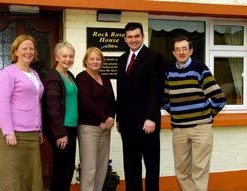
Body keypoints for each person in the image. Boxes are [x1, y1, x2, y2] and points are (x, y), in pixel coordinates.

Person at [163, 35, 227, 191]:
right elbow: (164, 100)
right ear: (173, 53)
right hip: (179, 130)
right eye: (178, 49)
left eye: (184, 49)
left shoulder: (200, 69)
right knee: (181, 171)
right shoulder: (169, 71)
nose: (181, 52)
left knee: (199, 171)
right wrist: (179, 114)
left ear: (191, 51)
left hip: (201, 129)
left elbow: (219, 98)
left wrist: (205, 116)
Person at [116, 22, 165, 191]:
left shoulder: (154, 56)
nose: (133, 40)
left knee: (151, 167)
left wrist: (151, 117)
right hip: (128, 125)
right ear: (125, 38)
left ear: (142, 36)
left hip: (147, 124)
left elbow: (157, 90)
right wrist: (119, 118)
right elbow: (120, 91)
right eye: (129, 37)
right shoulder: (122, 59)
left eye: (136, 36)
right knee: (131, 167)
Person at [0, 34, 44, 191]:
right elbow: (3, 103)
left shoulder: (34, 74)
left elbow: (36, 103)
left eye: (31, 48)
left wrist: (40, 130)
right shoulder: (8, 72)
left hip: (32, 133)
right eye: (24, 48)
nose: (28, 52)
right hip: (13, 133)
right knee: (11, 175)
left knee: (31, 175)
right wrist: (8, 132)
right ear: (15, 51)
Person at [75, 47, 115, 191]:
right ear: (86, 61)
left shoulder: (105, 78)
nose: (95, 61)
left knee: (101, 168)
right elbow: (85, 102)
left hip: (105, 129)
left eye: (98, 59)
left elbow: (112, 101)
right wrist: (104, 118)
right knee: (89, 169)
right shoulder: (82, 78)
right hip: (89, 129)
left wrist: (111, 117)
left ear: (102, 62)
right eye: (91, 59)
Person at [42, 41, 78, 191]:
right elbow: (52, 108)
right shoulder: (53, 78)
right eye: (64, 56)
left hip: (72, 127)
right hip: (62, 130)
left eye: (71, 56)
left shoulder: (69, 75)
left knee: (67, 168)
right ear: (57, 57)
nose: (68, 59)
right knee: (62, 169)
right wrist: (60, 133)